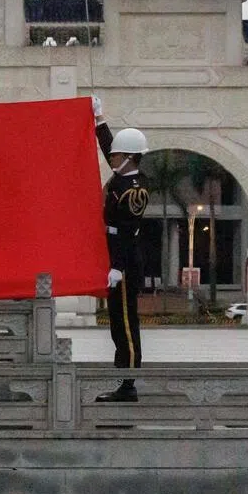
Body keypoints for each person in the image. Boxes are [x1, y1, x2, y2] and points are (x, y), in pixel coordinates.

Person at [93, 98, 150, 402]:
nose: (111, 158)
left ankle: (129, 382)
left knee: (126, 321)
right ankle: (123, 376)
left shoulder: (134, 189)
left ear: (129, 158)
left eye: (117, 155)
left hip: (125, 263)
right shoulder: (122, 178)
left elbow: (127, 233)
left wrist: (117, 266)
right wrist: (99, 120)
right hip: (115, 256)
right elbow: (108, 149)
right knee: (117, 320)